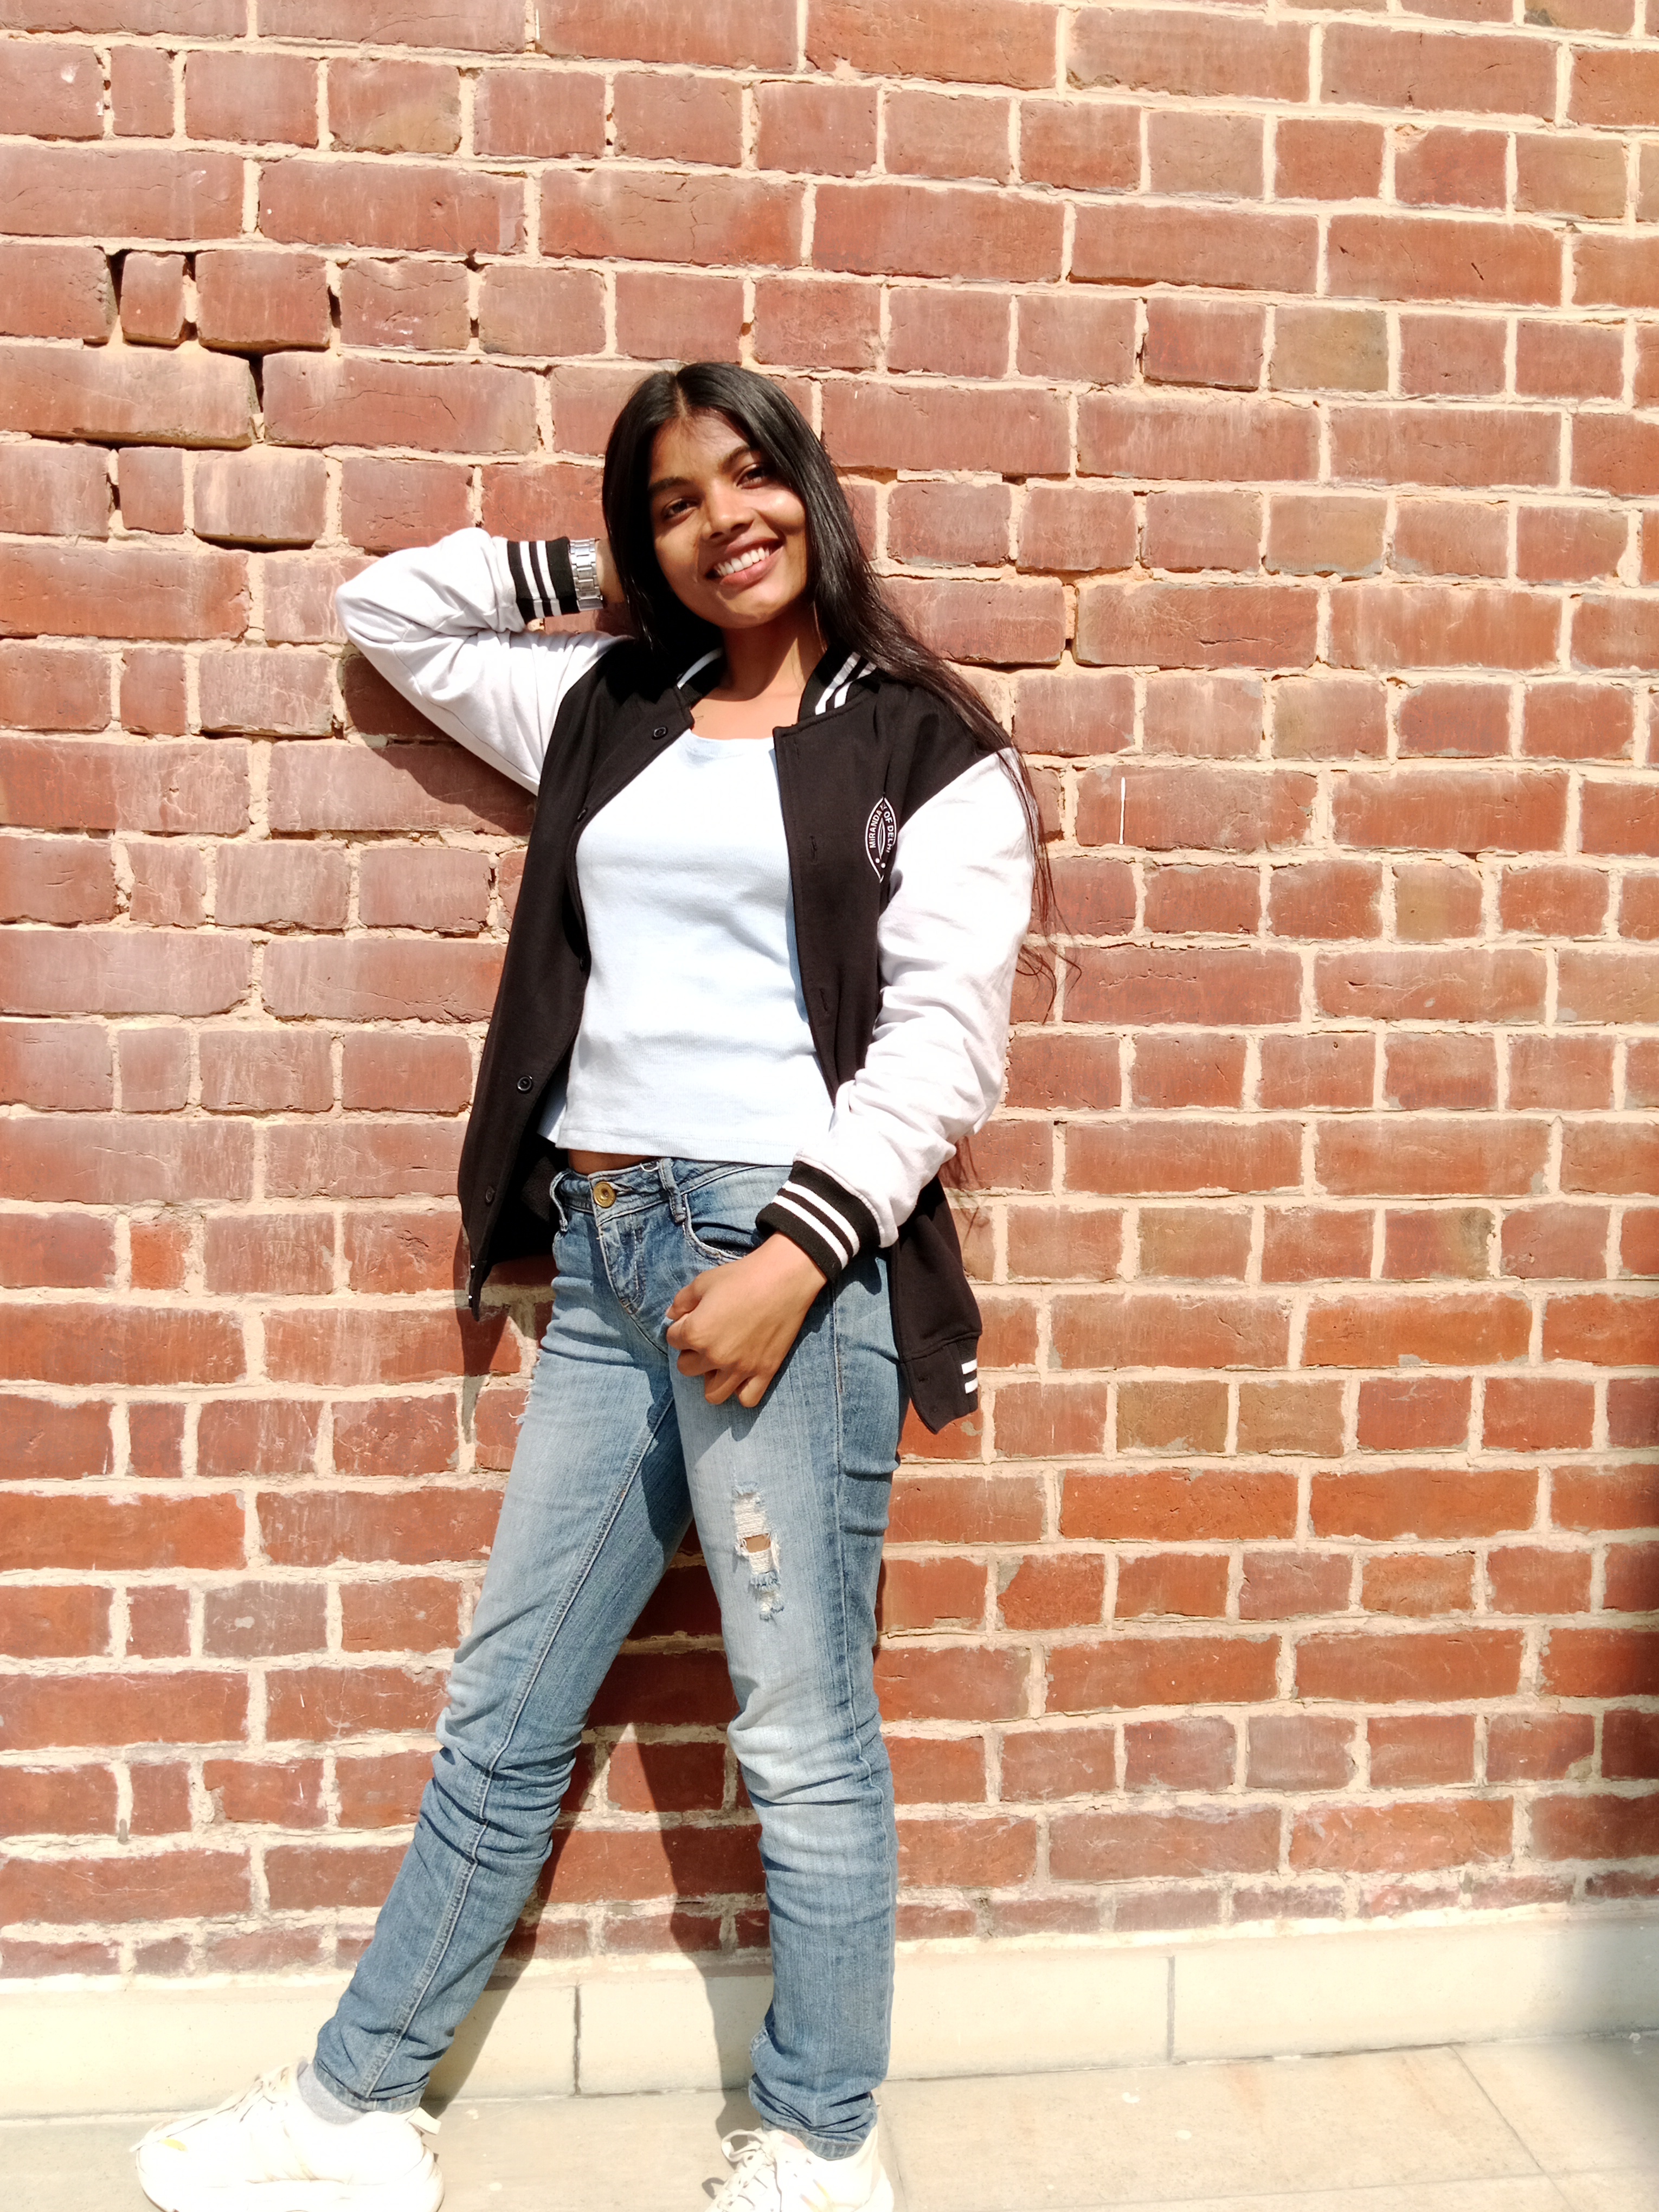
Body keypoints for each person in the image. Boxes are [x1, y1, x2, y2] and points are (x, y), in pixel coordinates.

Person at [135, 363, 1040, 2212]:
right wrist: (595, 573)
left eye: (751, 477)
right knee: (508, 1701)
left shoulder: (925, 750)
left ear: (810, 486)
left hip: (784, 1259)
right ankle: (354, 2114)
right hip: (613, 1248)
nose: (726, 522)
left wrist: (794, 1255)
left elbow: (944, 1049)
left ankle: (818, 2143)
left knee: (798, 1733)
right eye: (676, 500)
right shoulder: (609, 705)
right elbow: (389, 615)